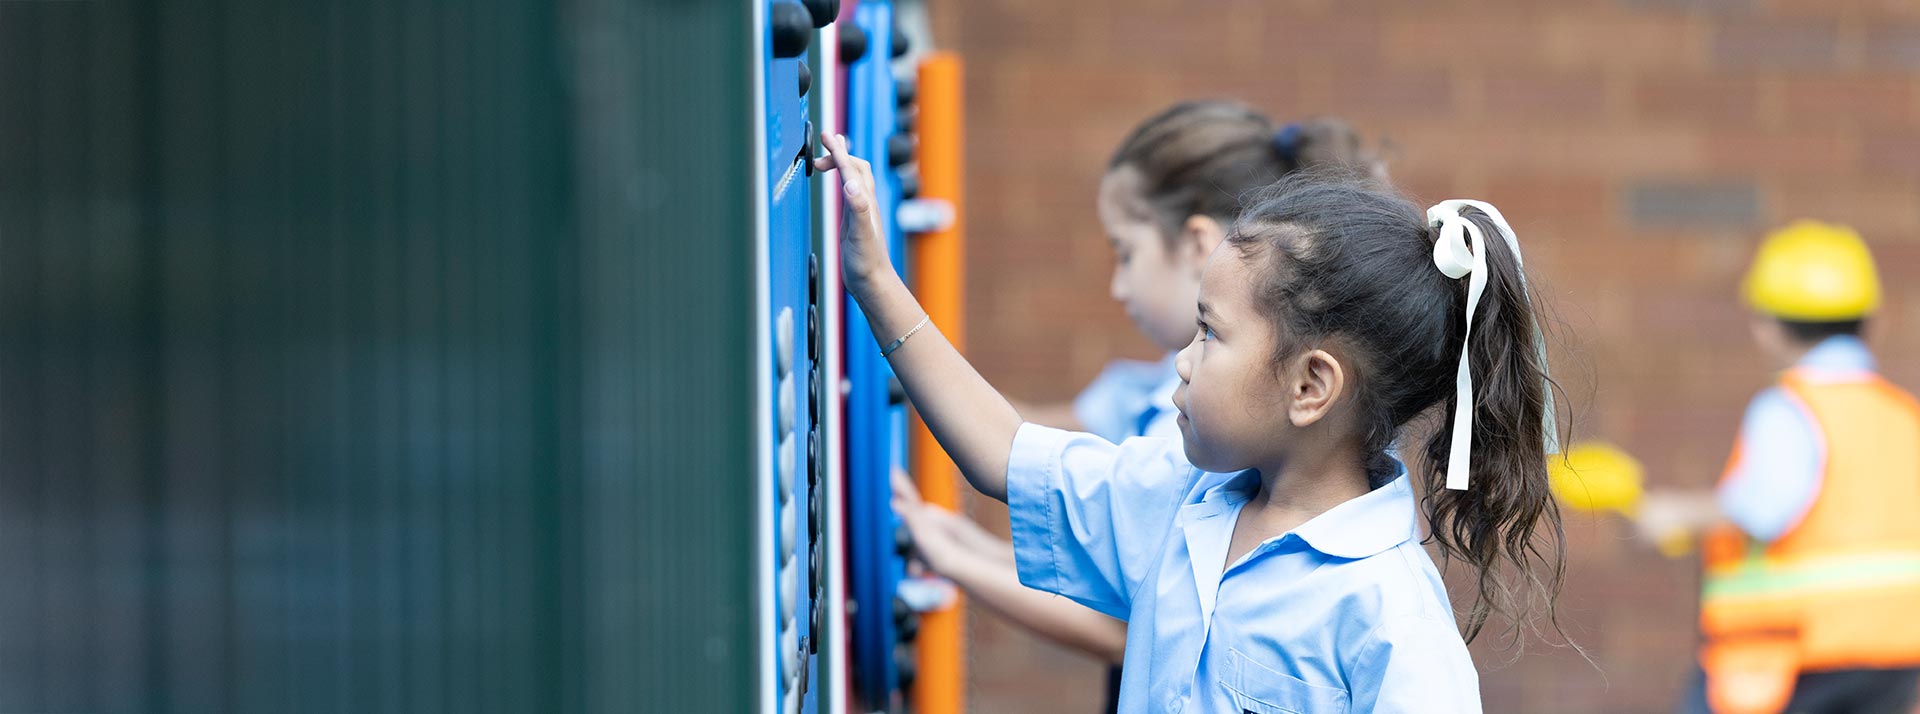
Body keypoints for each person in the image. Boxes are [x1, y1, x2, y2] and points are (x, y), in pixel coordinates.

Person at [818, 133, 1570, 712]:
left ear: (1311, 386)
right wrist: (876, 283)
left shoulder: (1388, 617)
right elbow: (1003, 454)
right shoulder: (1179, 502)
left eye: (1210, 333)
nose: (1181, 360)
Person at [892, 101, 1378, 710]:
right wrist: (955, 544)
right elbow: (1014, 455)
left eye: (1125, 252)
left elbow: (1123, 620)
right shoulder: (1184, 423)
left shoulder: (1227, 452)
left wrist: (956, 557)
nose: (1119, 287)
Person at [1636, 221, 1920, 714]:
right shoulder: (1902, 414)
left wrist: (1674, 513)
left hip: (1798, 649)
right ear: (1872, 320)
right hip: (1897, 648)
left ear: (1766, 325)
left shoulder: (1790, 408)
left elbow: (1762, 508)